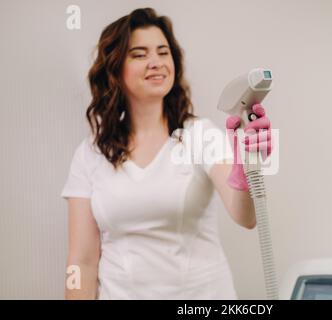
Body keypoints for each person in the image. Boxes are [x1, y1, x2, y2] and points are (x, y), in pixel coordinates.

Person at [60, 7, 272, 300]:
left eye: (163, 52)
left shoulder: (200, 135)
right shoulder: (90, 154)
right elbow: (81, 263)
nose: (156, 62)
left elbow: (245, 216)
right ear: (115, 69)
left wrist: (247, 169)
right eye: (139, 54)